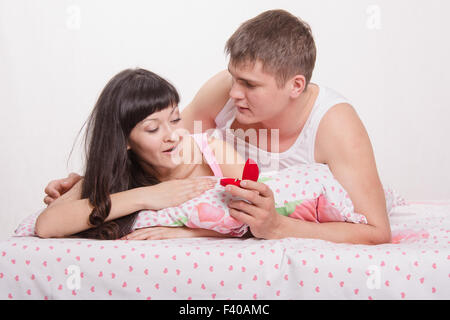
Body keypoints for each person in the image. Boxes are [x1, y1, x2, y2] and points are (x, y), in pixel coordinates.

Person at [44, 10, 391, 245]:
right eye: (233, 77)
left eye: (250, 85)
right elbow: (158, 153)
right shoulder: (224, 93)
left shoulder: (336, 126)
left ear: (295, 86)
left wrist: (276, 227)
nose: (234, 92)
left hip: (284, 217)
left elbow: (376, 232)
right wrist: (95, 179)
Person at [35, 68, 246, 240]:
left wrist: (188, 232)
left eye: (175, 119)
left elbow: (257, 218)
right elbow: (46, 225)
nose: (173, 136)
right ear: (124, 140)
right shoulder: (119, 173)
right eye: (153, 128)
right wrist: (147, 196)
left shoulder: (213, 153)